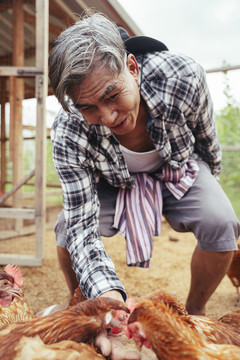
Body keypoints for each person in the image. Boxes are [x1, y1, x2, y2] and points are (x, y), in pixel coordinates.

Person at [44, 11, 240, 359]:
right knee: (64, 230)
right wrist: (111, 301)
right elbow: (81, 227)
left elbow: (207, 144)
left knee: (221, 221)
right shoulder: (68, 129)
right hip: (112, 182)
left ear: (132, 68)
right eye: (88, 107)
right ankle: (83, 307)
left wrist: (204, 191)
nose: (106, 117)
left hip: (176, 167)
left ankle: (195, 310)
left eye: (111, 95)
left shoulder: (182, 77)